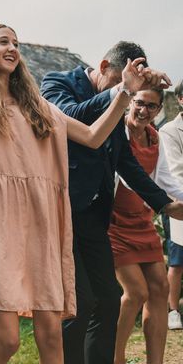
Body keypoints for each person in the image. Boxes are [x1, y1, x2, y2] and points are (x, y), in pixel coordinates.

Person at [0, 0, 149, 363]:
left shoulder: (39, 107)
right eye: (3, 41)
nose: (13, 48)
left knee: (52, 334)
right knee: (7, 342)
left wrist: (125, 92)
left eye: (16, 43)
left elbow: (95, 137)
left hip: (40, 223)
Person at [41, 41, 183, 364]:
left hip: (93, 214)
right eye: (121, 81)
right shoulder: (58, 82)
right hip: (59, 211)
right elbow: (69, 119)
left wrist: (164, 204)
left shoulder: (119, 100)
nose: (130, 94)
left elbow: (125, 162)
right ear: (104, 67)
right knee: (79, 302)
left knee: (108, 298)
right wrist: (121, 92)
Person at [107, 89, 183, 364]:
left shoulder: (155, 136)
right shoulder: (118, 132)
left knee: (160, 289)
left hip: (142, 222)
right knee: (137, 291)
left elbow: (165, 178)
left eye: (152, 106)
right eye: (139, 103)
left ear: (160, 108)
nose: (144, 110)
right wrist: (166, 204)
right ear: (129, 102)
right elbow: (129, 180)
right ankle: (115, 358)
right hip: (114, 223)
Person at [160, 80, 183, 330]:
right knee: (178, 259)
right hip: (178, 202)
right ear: (180, 99)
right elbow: (176, 171)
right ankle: (173, 310)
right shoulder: (169, 131)